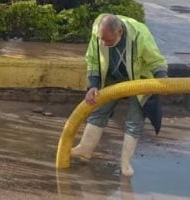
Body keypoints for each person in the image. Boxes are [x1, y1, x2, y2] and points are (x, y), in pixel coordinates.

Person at [71, 13, 168, 176]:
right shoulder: (98, 32)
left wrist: (162, 81)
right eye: (102, 39)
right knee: (98, 110)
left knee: (134, 119)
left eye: (108, 41)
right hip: (111, 79)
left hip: (139, 82)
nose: (103, 43)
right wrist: (93, 85)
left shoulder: (140, 34)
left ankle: (125, 163)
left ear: (120, 32)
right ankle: (85, 149)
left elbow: (156, 62)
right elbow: (93, 60)